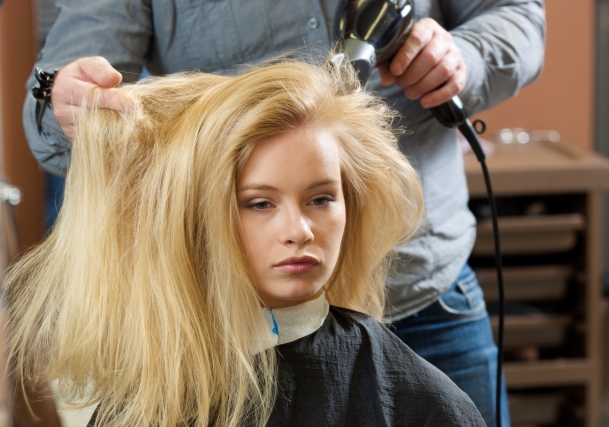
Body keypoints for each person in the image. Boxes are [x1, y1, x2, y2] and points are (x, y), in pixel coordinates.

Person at [22, 1, 546, 425]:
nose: (299, 231)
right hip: (219, 334)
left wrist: (464, 56)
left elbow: (517, 16)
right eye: (259, 203)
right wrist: (73, 103)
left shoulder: (431, 405)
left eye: (322, 197)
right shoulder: (154, 405)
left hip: (432, 289)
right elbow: (62, 104)